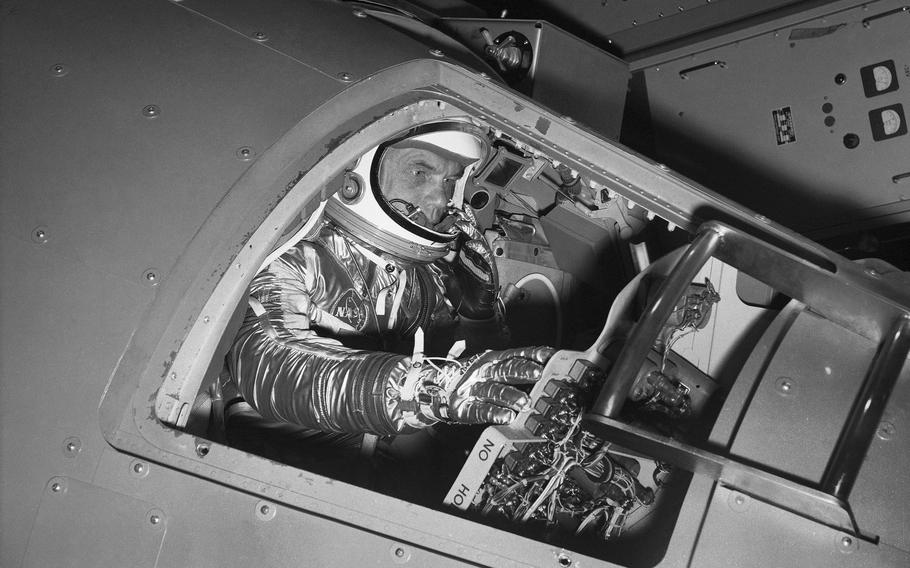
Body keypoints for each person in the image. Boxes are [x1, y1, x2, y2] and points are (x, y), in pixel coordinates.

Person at [224, 122, 554, 454]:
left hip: (378, 460)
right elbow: (268, 360)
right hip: (287, 460)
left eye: (450, 181)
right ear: (358, 173)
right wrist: (412, 392)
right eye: (419, 174)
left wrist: (478, 317)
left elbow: (466, 376)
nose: (439, 199)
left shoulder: (429, 275)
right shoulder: (295, 258)